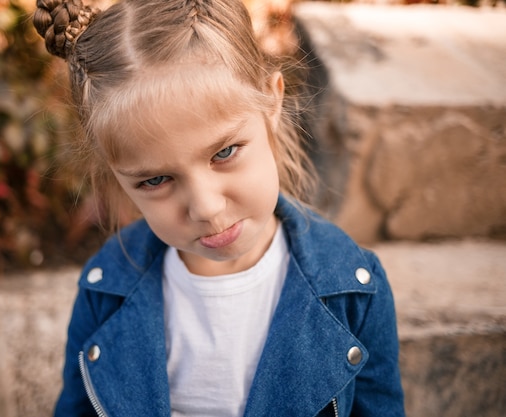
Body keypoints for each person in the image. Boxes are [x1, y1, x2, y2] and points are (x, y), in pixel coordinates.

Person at [33, 0, 405, 416]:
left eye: (224, 152)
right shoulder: (105, 290)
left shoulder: (353, 288)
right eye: (155, 180)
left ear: (271, 99)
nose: (206, 208)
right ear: (114, 173)